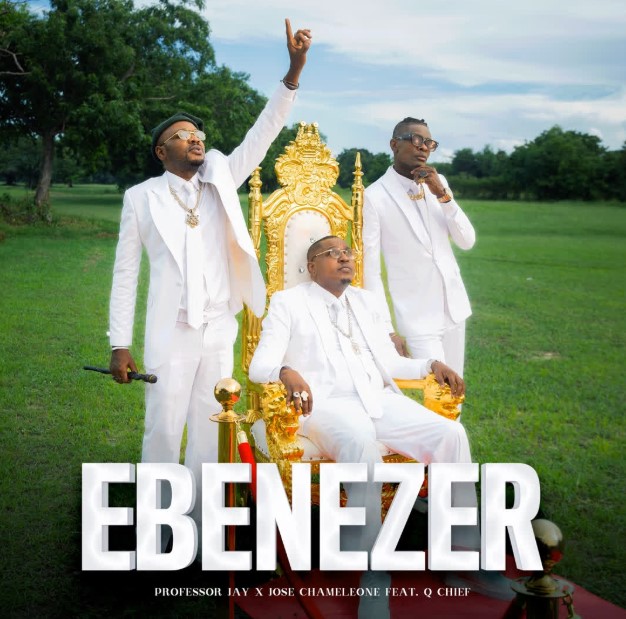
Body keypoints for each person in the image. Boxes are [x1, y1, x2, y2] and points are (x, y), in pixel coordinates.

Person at [108, 19, 312, 546]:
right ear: (162, 151)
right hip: (171, 329)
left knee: (210, 426)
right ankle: (157, 531)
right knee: (162, 426)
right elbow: (126, 273)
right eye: (182, 135)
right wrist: (119, 344)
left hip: (220, 324)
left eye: (198, 134)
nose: (195, 138)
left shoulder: (222, 177)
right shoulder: (140, 198)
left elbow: (262, 134)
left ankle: (200, 528)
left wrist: (292, 73)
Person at [249, 236, 512, 617]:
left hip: (379, 400)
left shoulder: (367, 301)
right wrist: (286, 371)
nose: (344, 258)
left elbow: (390, 363)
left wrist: (429, 365)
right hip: (326, 406)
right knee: (361, 445)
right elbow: (259, 367)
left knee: (451, 434)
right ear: (312, 266)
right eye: (333, 253)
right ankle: (373, 574)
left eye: (348, 252)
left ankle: (463, 555)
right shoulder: (288, 303)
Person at [363, 117, 475, 375]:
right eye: (416, 140)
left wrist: (443, 195)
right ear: (394, 145)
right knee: (439, 388)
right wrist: (386, 329)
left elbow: (466, 241)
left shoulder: (439, 182)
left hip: (455, 308)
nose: (424, 147)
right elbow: (371, 271)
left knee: (456, 389)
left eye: (429, 142)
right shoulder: (374, 197)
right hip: (417, 317)